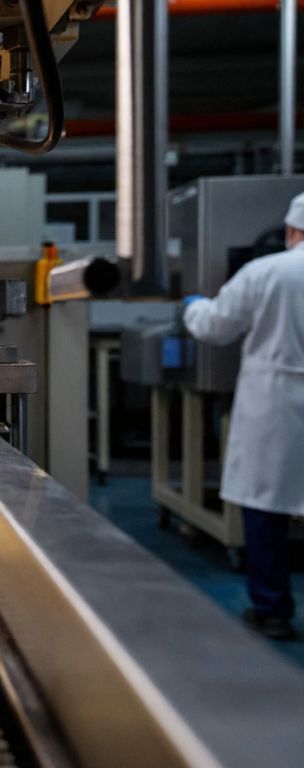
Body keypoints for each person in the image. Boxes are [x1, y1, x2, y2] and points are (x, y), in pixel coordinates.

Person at [182, 191, 304, 641]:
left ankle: (272, 610)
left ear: (292, 231)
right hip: (276, 397)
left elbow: (215, 326)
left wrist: (192, 306)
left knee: (265, 506)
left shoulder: (267, 271)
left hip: (276, 402)